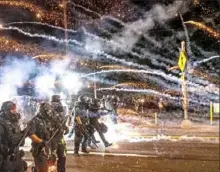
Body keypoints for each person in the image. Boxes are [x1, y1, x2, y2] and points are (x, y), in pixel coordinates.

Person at [28, 102, 56, 172]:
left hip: (48, 148)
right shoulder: (34, 120)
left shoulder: (46, 120)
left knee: (49, 168)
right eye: (47, 111)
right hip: (39, 149)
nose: (49, 113)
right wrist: (41, 141)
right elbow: (31, 134)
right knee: (43, 169)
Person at [0, 101, 27, 172]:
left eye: (15, 109)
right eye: (12, 109)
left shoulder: (14, 122)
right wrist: (7, 150)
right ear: (6, 111)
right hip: (6, 158)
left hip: (16, 155)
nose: (15, 111)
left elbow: (17, 136)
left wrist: (23, 133)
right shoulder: (1, 123)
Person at [50, 95, 68, 172]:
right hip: (52, 136)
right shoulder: (49, 108)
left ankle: (61, 170)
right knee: (54, 156)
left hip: (59, 135)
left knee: (62, 155)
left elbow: (62, 120)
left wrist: (65, 127)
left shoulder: (60, 108)